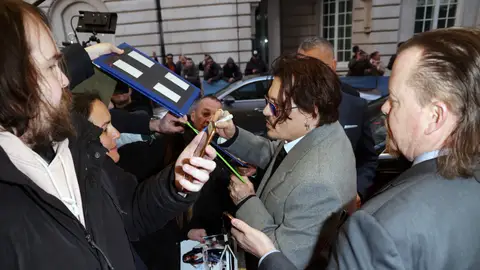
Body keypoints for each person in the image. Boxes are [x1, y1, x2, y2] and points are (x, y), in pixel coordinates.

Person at [237, 27, 480, 270]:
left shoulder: (380, 228)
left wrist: (267, 254)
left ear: (435, 116)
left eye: (394, 100)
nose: (384, 109)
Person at [0, 2, 217, 270]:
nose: (65, 80)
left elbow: (132, 211)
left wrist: (176, 184)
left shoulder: (77, 140)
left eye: (61, 65)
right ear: (11, 81)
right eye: (51, 67)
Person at [216, 54, 357, 269]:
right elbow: (279, 155)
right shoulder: (321, 131)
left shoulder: (318, 182)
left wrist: (245, 201)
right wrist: (233, 135)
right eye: (267, 101)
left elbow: (283, 259)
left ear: (311, 112)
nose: (265, 111)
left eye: (276, 106)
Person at [298, 37, 378, 204]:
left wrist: (357, 192)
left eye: (316, 67)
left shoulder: (354, 103)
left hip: (343, 207)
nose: (309, 75)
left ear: (333, 66)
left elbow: (367, 158)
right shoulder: (289, 102)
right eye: (302, 68)